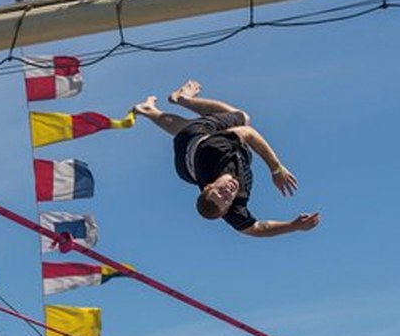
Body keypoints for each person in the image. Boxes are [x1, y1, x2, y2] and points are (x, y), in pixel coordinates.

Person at [133, 80, 320, 236]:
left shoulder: (215, 150)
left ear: (209, 186)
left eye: (220, 192)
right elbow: (255, 228)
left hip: (200, 142)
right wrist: (293, 226)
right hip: (185, 166)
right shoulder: (232, 208)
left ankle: (184, 99)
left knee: (241, 117)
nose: (229, 192)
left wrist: (276, 168)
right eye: (227, 200)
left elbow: (248, 133)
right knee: (184, 129)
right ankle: (148, 110)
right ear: (227, 208)